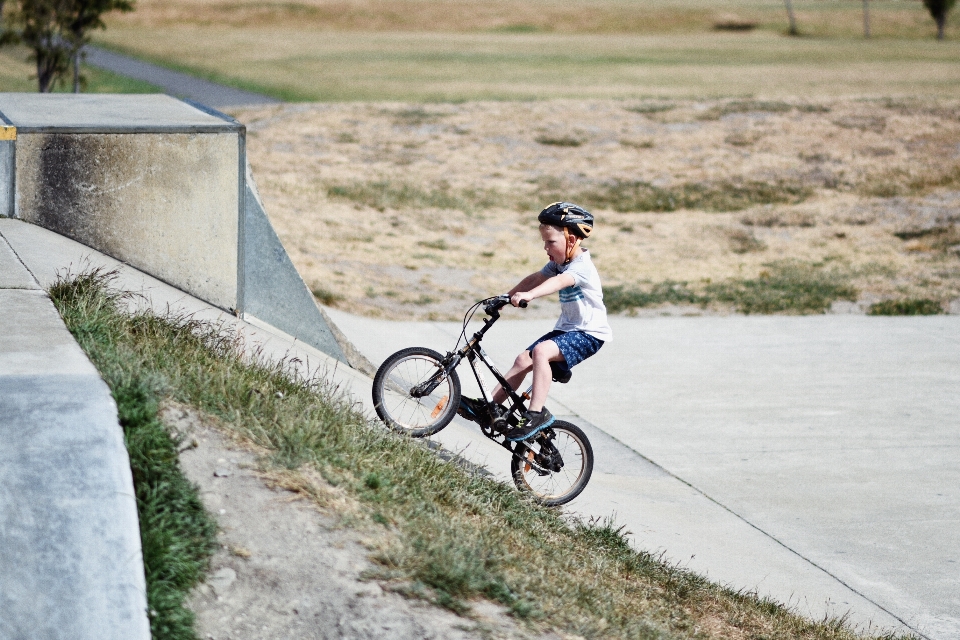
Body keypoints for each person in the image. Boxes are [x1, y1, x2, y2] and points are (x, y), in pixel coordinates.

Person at [459, 202, 612, 441]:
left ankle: (536, 414)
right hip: (567, 329)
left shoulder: (582, 267)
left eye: (550, 242)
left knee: (541, 352)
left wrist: (529, 296)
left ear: (571, 240)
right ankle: (490, 406)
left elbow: (557, 283)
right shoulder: (559, 264)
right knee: (523, 360)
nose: (545, 247)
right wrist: (506, 297)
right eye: (544, 242)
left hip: (589, 334)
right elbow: (537, 277)